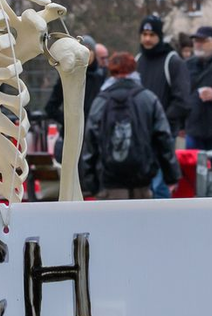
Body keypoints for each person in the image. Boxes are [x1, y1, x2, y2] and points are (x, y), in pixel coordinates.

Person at [80, 52, 180, 200]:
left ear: (111, 71)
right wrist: (171, 176)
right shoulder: (148, 99)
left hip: (109, 183)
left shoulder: (101, 101)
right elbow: (164, 138)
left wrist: (91, 183)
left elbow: (90, 142)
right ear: (134, 70)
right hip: (141, 182)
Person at [46, 34, 105, 158]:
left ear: (94, 53)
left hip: (96, 137)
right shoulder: (67, 77)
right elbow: (50, 107)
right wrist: (70, 121)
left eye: (88, 50)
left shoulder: (102, 78)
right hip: (73, 137)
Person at [136, 14, 191, 136]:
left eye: (152, 35)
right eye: (144, 34)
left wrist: (160, 121)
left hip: (164, 133)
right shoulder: (138, 60)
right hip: (140, 132)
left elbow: (183, 101)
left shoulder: (172, 62)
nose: (147, 39)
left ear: (159, 36)